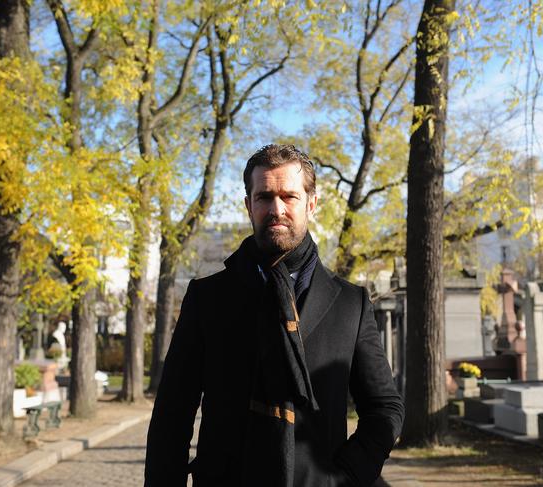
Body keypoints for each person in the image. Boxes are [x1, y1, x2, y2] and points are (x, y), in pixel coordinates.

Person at [144, 144, 404, 487]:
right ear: (249, 204)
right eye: (264, 196)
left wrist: (346, 477)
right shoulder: (207, 299)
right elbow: (172, 415)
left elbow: (385, 407)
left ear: (312, 203)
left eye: (289, 196)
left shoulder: (350, 304)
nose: (276, 209)